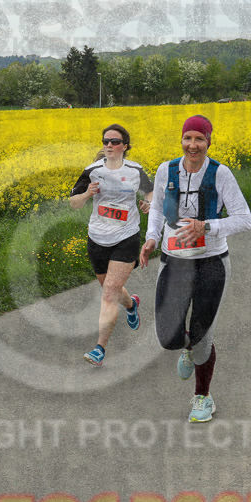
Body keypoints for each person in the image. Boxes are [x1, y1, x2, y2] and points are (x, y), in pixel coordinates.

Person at [139, 115, 251, 422]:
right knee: (167, 336)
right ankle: (188, 346)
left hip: (211, 263)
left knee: (204, 337)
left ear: (208, 142)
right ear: (181, 141)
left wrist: (208, 226)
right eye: (188, 138)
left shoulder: (220, 174)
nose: (193, 145)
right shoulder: (166, 170)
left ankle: (203, 397)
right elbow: (159, 208)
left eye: (199, 139)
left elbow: (244, 218)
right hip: (173, 261)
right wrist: (152, 238)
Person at [69, 124, 153, 366]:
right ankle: (131, 304)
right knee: (110, 287)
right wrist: (86, 195)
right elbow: (73, 203)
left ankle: (99, 348)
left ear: (125, 146)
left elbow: (151, 193)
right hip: (97, 237)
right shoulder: (92, 171)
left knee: (108, 292)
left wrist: (148, 204)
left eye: (115, 142)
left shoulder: (136, 170)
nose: (109, 145)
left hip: (126, 237)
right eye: (106, 141)